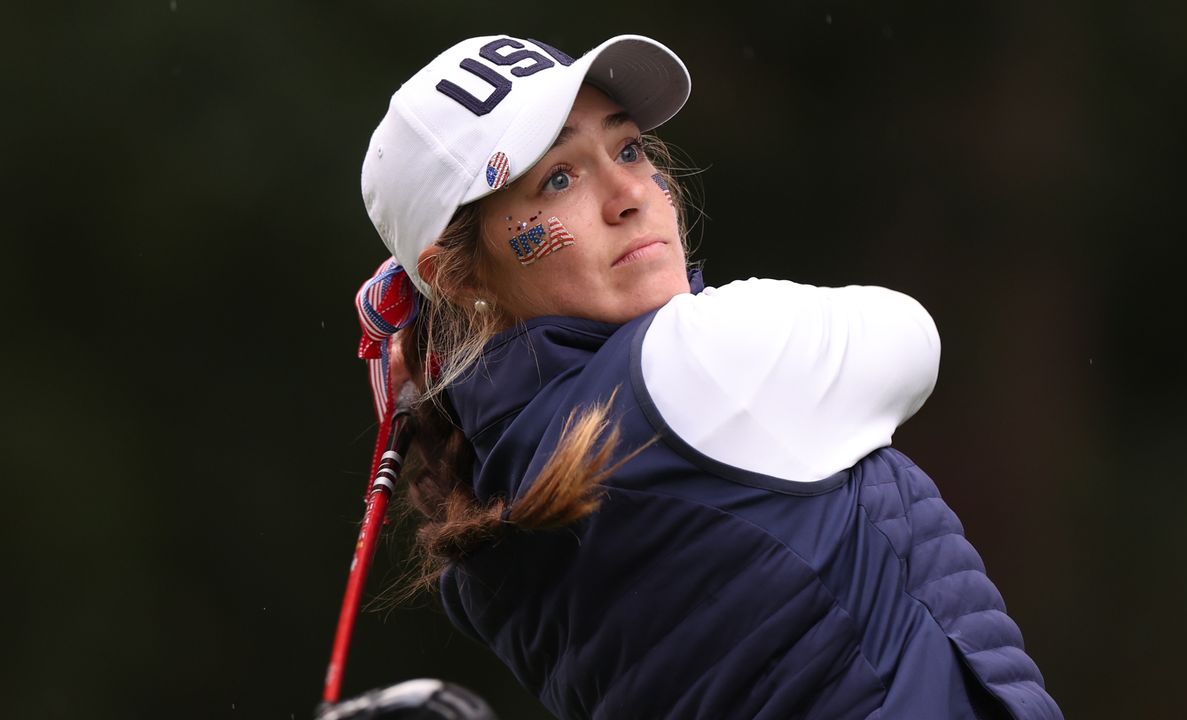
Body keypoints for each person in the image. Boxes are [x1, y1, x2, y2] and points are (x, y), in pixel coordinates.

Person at [352, 33, 1063, 720]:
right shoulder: (696, 359)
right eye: (558, 178)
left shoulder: (484, 541)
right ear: (457, 274)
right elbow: (913, 337)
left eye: (627, 148)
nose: (630, 192)